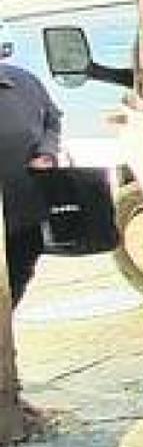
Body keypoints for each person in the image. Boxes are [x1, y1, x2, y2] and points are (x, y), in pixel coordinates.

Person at [0, 57, 63, 304]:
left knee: (17, 277)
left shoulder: (24, 81)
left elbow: (52, 119)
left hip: (22, 212)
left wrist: (47, 153)